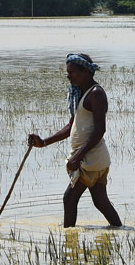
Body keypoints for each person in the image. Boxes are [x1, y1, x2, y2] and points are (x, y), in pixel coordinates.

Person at [28, 53, 124, 228]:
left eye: (72, 72)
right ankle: (120, 230)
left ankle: (68, 239)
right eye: (68, 72)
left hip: (91, 159)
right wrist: (43, 142)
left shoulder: (96, 94)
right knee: (100, 202)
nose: (68, 75)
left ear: (86, 71)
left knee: (69, 198)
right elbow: (70, 126)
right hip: (95, 158)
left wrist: (78, 156)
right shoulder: (81, 93)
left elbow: (100, 129)